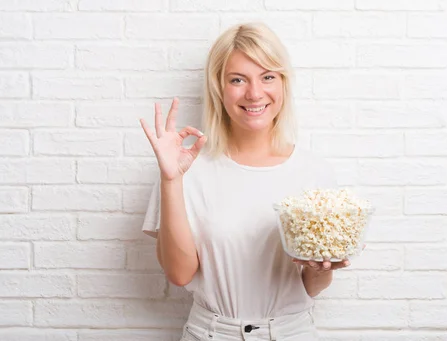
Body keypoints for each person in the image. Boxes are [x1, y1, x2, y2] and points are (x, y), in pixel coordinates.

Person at [140, 22, 350, 341]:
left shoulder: (314, 172)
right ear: (218, 88)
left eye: (267, 77)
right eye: (238, 80)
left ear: (283, 83)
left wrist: (320, 269)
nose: (254, 93)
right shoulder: (186, 169)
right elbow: (179, 274)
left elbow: (312, 286)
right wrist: (171, 181)